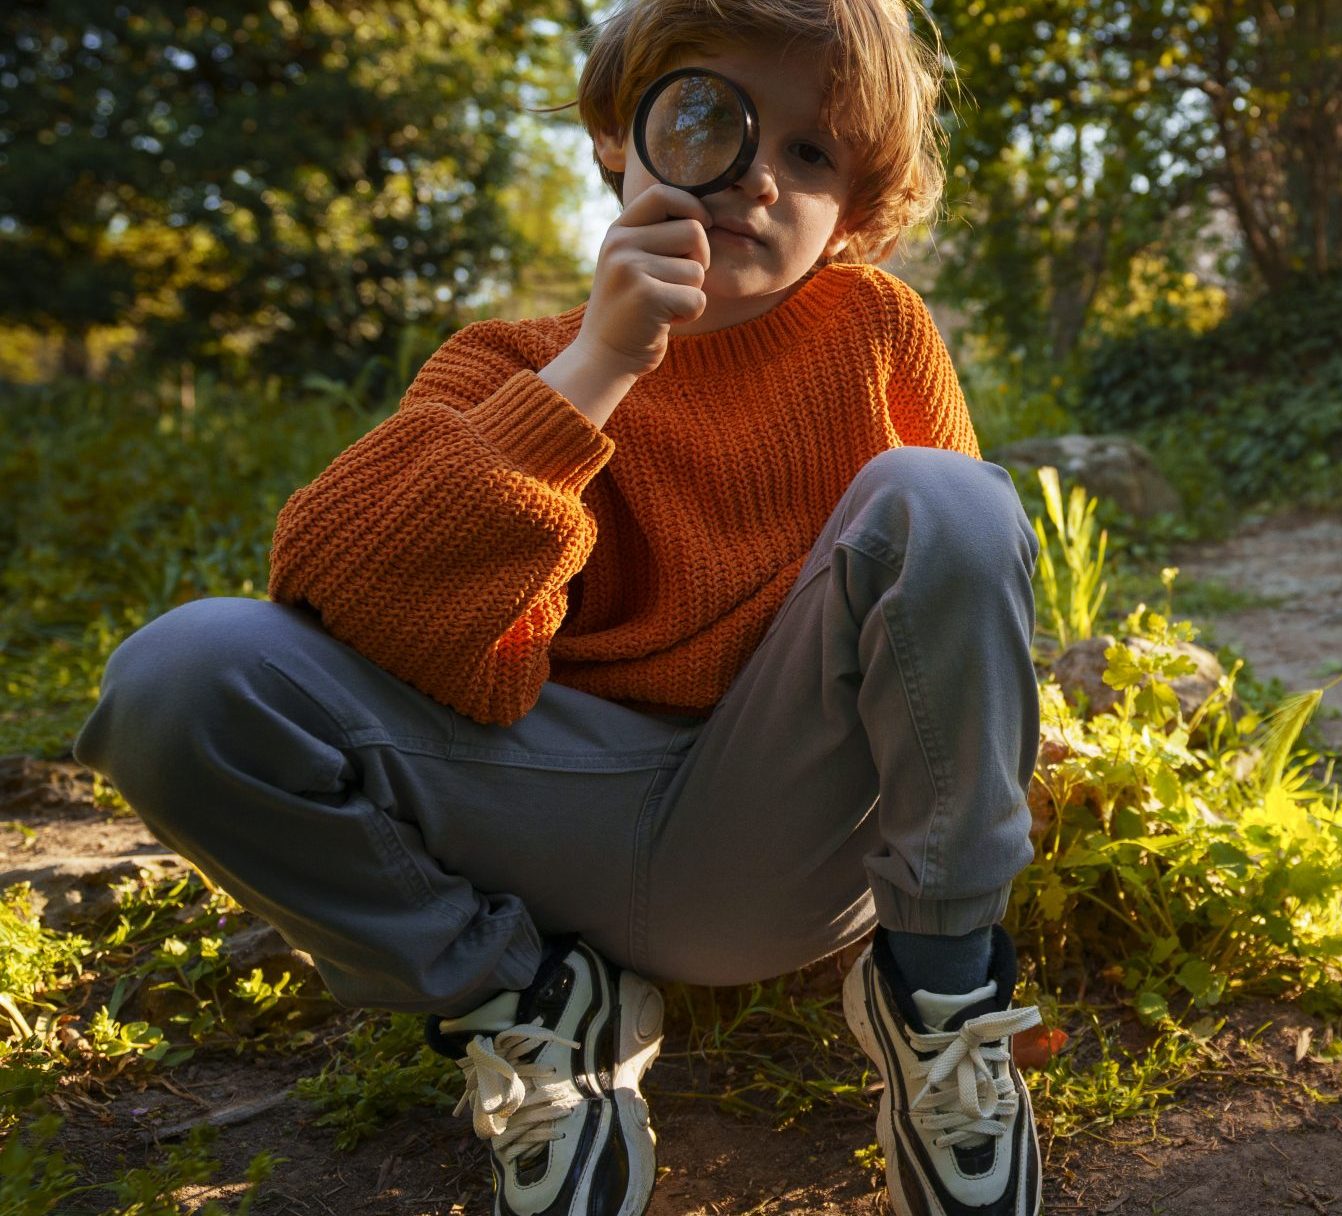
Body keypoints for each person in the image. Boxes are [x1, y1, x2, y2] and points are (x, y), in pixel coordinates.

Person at [73, 2, 1044, 1213]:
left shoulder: (876, 332)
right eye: (711, 120)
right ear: (613, 135)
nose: (755, 179)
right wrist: (594, 370)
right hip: (542, 821)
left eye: (812, 154)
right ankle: (528, 1002)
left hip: (781, 831)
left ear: (854, 209)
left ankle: (939, 998)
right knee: (180, 677)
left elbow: (954, 620)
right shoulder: (504, 362)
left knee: (946, 495)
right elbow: (337, 587)